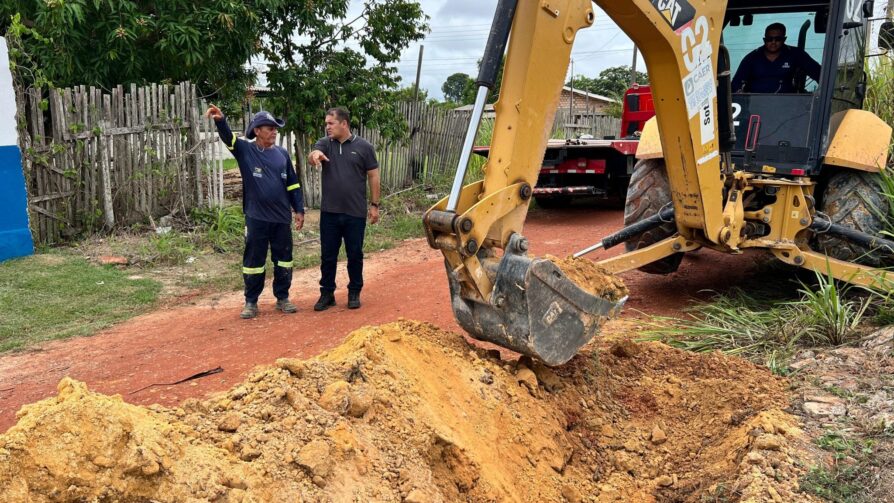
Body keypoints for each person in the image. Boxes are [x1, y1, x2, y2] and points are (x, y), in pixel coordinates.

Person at [206, 105, 305, 319]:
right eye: (269, 128)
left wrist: (299, 209)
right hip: (256, 217)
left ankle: (283, 298)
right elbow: (228, 139)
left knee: (284, 259)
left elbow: (293, 185)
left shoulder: (282, 154)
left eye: (275, 128)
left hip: (281, 218)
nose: (274, 131)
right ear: (257, 130)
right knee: (254, 261)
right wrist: (220, 121)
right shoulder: (246, 151)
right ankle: (251, 302)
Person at [307, 107, 380, 311]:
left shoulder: (364, 147)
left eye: (331, 123)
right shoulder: (326, 144)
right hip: (329, 212)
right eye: (326, 123)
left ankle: (354, 291)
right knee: (328, 255)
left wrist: (375, 205)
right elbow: (314, 152)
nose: (327, 127)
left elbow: (373, 176)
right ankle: (327, 293)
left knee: (354, 254)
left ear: (344, 124)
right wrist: (315, 155)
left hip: (355, 212)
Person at [731, 22, 821, 94]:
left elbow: (819, 73)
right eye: (769, 39)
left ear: (784, 39)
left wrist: (821, 95)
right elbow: (736, 84)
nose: (773, 42)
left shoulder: (796, 54)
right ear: (764, 40)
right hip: (755, 106)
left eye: (777, 39)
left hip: (788, 105)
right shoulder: (752, 58)